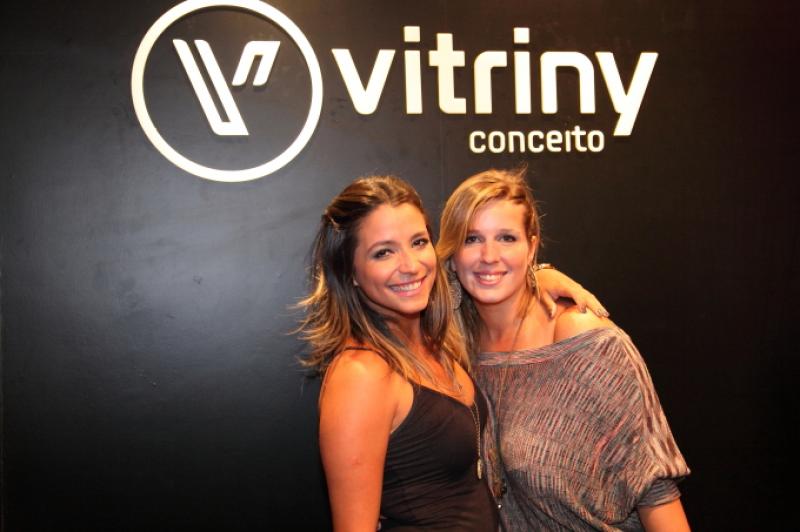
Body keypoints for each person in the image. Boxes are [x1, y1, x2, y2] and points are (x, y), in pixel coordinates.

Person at [299, 175, 604, 531]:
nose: (411, 265)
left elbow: (480, 270)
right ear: (350, 271)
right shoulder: (362, 374)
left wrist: (538, 275)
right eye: (383, 252)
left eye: (418, 242)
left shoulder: (440, 338)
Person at [436, 168, 691, 531]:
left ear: (532, 247)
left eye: (507, 238)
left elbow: (654, 489)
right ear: (452, 253)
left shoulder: (583, 340)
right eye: (472, 238)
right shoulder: (453, 349)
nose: (489, 255)